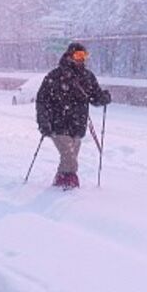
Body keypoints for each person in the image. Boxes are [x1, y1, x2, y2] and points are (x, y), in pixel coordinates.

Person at [35, 42, 112, 190]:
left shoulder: (87, 76)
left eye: (84, 56)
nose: (81, 59)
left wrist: (104, 98)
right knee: (70, 159)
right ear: (70, 56)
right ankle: (70, 188)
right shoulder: (55, 76)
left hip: (77, 125)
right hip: (57, 124)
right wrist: (43, 122)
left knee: (69, 158)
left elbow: (95, 97)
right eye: (78, 55)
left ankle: (59, 183)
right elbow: (42, 101)